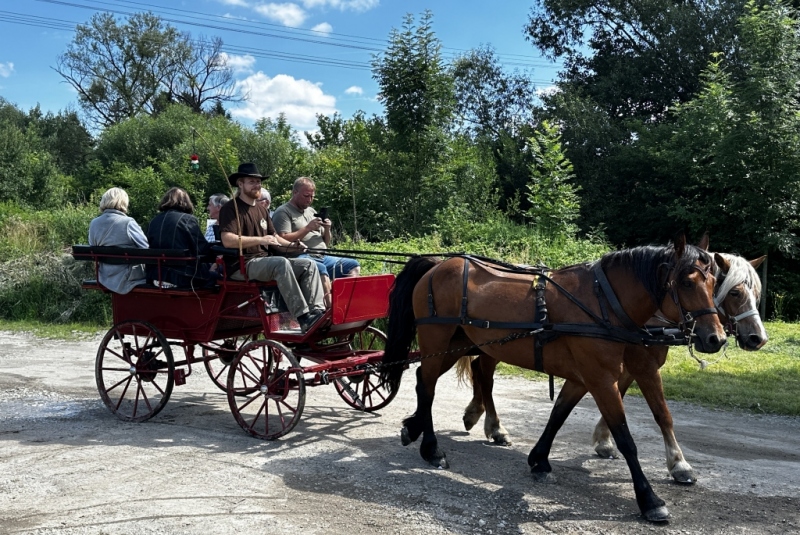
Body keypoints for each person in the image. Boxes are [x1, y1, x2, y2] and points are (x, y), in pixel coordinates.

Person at [218, 163, 326, 333]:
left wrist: (294, 245)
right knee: (280, 263)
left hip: (264, 262)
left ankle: (317, 313)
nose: (257, 185)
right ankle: (303, 317)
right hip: (243, 265)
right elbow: (228, 240)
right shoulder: (230, 208)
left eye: (259, 182)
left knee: (308, 265)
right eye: (252, 181)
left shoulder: (261, 210)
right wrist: (260, 239)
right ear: (240, 184)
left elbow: (274, 237)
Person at [272, 176, 360, 306]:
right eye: (306, 196)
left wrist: (328, 229)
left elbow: (326, 242)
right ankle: (330, 310)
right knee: (321, 268)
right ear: (294, 192)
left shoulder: (311, 211)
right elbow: (281, 240)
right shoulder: (283, 212)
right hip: (300, 256)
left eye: (312, 197)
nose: (309, 200)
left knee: (352, 264)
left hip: (323, 255)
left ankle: (346, 304)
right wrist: (307, 228)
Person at [146, 187, 218, 289]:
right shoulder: (188, 220)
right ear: (185, 202)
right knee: (219, 276)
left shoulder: (154, 221)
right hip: (182, 277)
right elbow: (201, 249)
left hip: (156, 276)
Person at [88, 187, 149, 294]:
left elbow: (92, 249)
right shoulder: (128, 222)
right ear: (124, 202)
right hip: (128, 278)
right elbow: (146, 248)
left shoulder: (94, 223)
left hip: (104, 276)